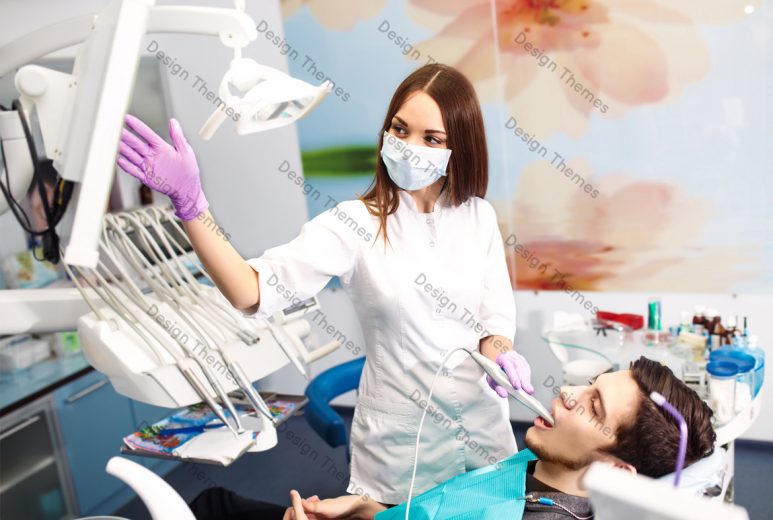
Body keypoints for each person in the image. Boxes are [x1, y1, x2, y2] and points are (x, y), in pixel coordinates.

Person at [116, 63, 533, 505]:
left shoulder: (478, 217)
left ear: (459, 147)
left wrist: (502, 356)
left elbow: (493, 323)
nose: (410, 147)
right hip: (402, 453)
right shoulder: (355, 225)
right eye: (400, 129)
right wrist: (191, 205)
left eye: (431, 139)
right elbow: (251, 291)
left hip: (483, 438)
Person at [186, 356, 716, 519]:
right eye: (587, 384)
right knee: (215, 504)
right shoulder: (536, 471)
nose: (568, 394)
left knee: (212, 507)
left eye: (593, 405)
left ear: (619, 469)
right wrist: (369, 511)